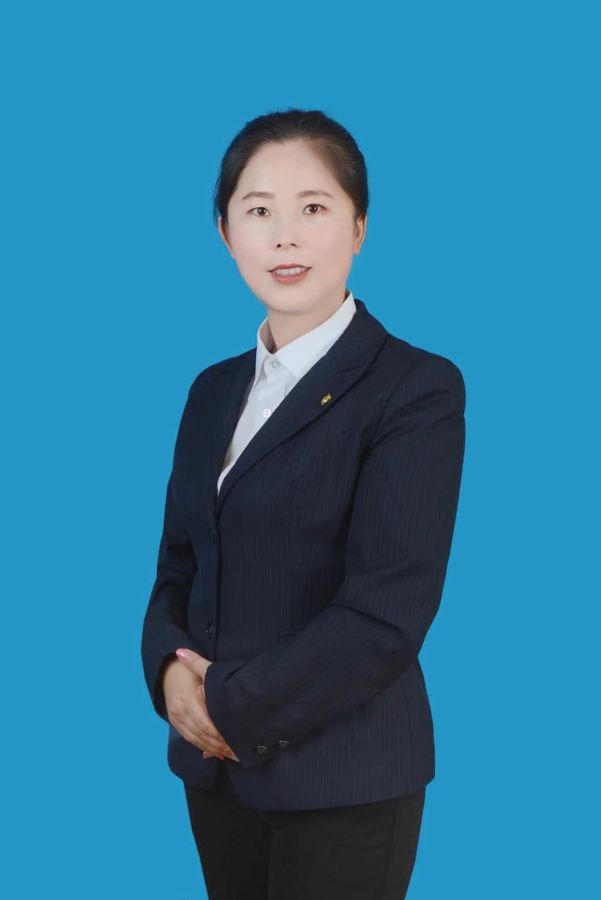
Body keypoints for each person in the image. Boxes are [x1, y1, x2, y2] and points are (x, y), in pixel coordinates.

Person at [141, 108, 466, 899]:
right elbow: (178, 566)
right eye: (258, 211)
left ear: (358, 226)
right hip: (216, 776)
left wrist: (225, 704)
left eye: (312, 207)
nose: (284, 237)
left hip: (343, 779)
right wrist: (168, 677)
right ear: (226, 233)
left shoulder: (414, 388)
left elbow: (385, 613)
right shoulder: (212, 390)